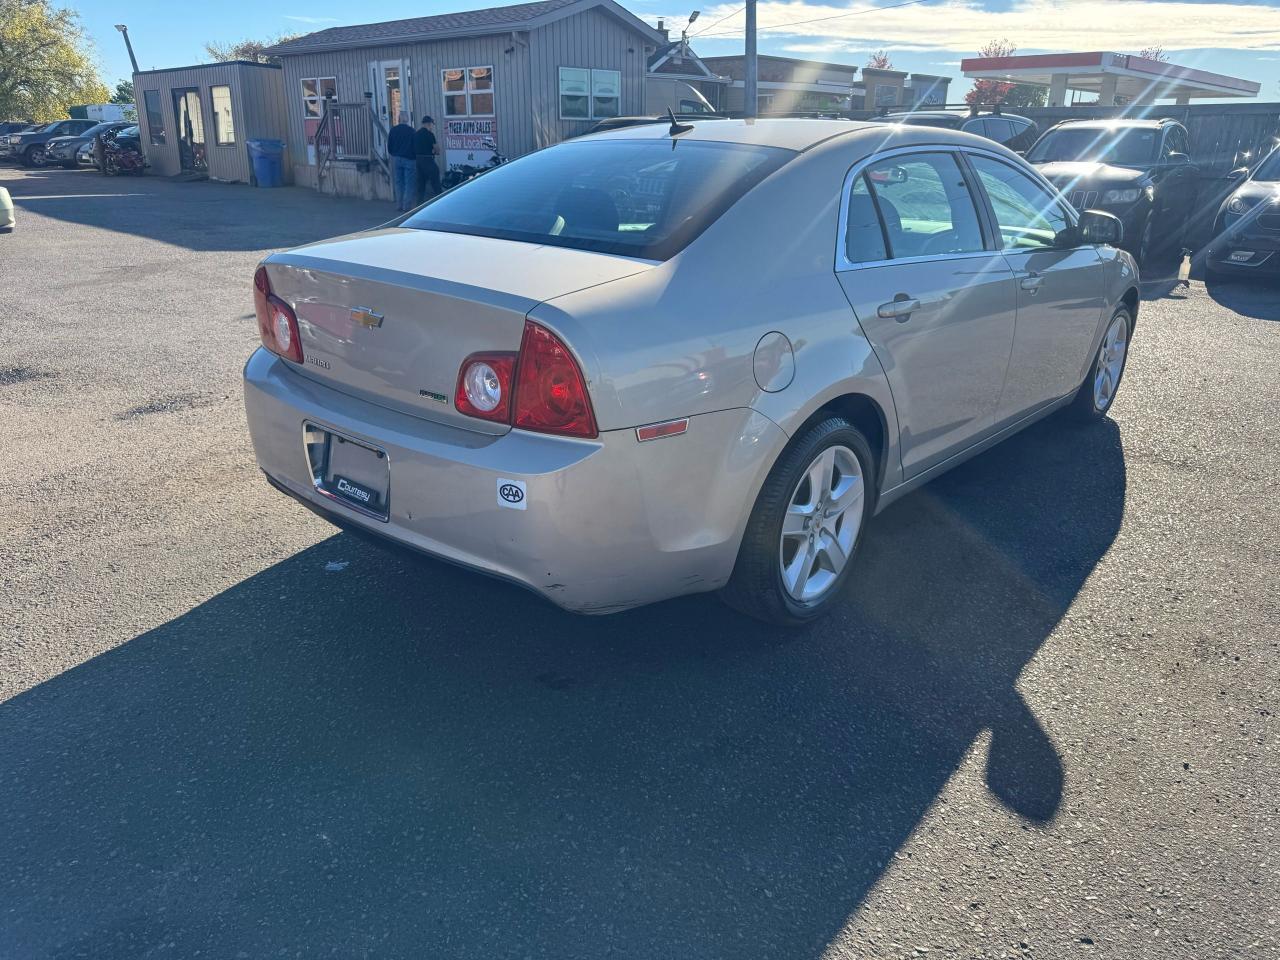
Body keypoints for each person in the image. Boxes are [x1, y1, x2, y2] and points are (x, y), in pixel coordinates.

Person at [386, 111, 418, 212]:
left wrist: (393, 153)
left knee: (399, 182)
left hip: (397, 158)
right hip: (409, 159)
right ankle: (406, 206)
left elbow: (389, 145)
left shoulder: (393, 130)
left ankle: (399, 205)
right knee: (409, 183)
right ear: (407, 119)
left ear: (399, 119)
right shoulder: (412, 131)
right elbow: (415, 146)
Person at [414, 115, 442, 202]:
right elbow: (437, 149)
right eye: (431, 125)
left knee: (420, 185)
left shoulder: (416, 134)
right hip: (428, 159)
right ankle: (440, 201)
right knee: (435, 182)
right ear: (428, 124)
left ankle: (419, 204)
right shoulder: (430, 134)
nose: (432, 127)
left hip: (418, 160)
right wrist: (435, 152)